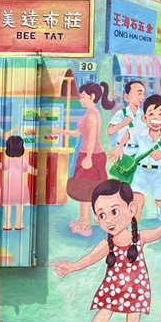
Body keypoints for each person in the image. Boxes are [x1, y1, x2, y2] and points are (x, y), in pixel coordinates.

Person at [50, 180, 161, 322]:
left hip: (136, 287)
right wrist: (72, 266)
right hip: (113, 287)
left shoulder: (139, 238)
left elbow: (157, 233)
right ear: (97, 219)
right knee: (105, 311)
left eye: (114, 211)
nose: (109, 219)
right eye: (102, 214)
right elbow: (90, 258)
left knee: (134, 313)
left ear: (131, 209)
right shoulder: (107, 244)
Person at [111, 95, 161, 223]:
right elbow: (128, 133)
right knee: (137, 204)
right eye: (151, 114)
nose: (156, 118)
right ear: (145, 118)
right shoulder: (140, 132)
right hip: (140, 173)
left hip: (158, 174)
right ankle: (135, 233)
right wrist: (119, 147)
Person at [58, 82, 115, 237]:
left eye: (83, 96)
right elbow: (78, 133)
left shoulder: (91, 115)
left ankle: (85, 225)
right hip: (87, 154)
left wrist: (89, 157)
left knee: (86, 190)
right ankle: (83, 220)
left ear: (92, 97)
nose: (81, 99)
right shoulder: (90, 113)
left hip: (92, 155)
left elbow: (92, 138)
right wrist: (61, 131)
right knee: (84, 189)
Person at [0, 135, 34, 231]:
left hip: (8, 185)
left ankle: (7, 223)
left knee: (7, 204)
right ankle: (18, 222)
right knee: (19, 204)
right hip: (20, 186)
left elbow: (2, 167)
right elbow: (29, 170)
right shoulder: (23, 161)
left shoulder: (7, 161)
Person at [107, 81, 146, 158]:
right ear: (127, 97)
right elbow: (109, 131)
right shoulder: (121, 113)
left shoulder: (143, 115)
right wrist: (123, 123)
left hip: (139, 151)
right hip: (123, 150)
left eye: (142, 94)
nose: (142, 97)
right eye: (139, 93)